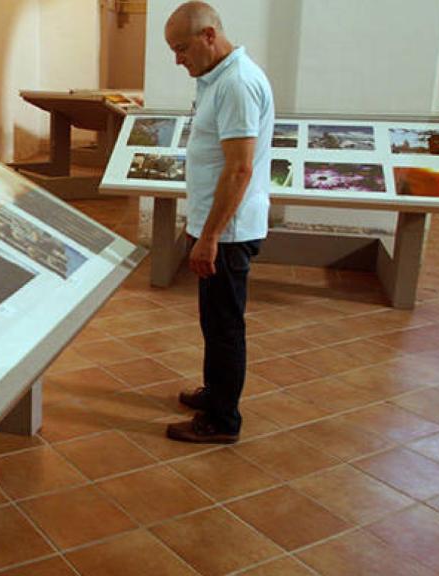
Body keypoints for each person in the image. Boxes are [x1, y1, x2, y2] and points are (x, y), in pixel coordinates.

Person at [162, 1, 274, 443]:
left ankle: (222, 421)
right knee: (214, 320)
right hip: (218, 227)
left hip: (227, 232)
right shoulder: (217, 78)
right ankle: (215, 394)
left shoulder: (237, 84)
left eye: (181, 48)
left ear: (209, 35)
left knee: (225, 326)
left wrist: (209, 237)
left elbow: (239, 169)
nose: (178, 59)